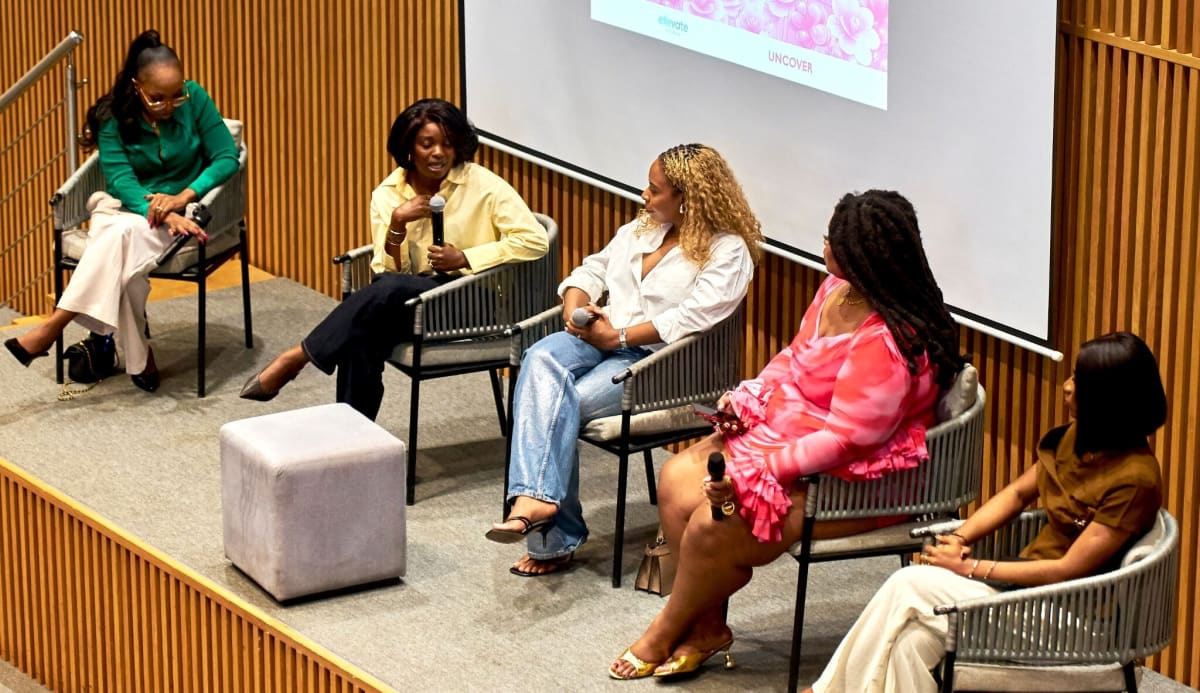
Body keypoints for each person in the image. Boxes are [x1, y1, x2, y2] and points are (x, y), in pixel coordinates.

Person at [609, 189, 967, 680]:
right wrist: (750, 393)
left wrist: (761, 470)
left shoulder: (887, 342)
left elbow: (846, 440)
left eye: (832, 240)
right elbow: (794, 359)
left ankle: (665, 629)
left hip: (856, 478)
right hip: (798, 436)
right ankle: (707, 628)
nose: (823, 246)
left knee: (712, 522)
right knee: (675, 480)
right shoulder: (836, 290)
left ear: (862, 257)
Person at [803, 331, 1166, 693]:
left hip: (1071, 619)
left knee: (908, 583)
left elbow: (1067, 570)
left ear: (1110, 399)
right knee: (911, 644)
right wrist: (960, 538)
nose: (1067, 387)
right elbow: (1017, 493)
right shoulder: (1080, 437)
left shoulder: (1135, 480)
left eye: (1079, 381)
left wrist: (969, 567)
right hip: (1025, 593)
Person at [485, 143, 763, 578]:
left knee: (556, 402)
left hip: (664, 365)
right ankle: (540, 503)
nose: (644, 197)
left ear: (687, 198)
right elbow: (591, 271)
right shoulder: (641, 229)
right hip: (600, 338)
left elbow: (692, 317)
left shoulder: (727, 250)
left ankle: (550, 532)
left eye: (654, 191)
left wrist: (617, 336)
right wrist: (577, 309)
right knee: (540, 356)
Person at [239, 98, 549, 419]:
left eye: (447, 144)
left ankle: (296, 358)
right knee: (359, 334)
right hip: (409, 305)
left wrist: (465, 257)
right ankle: (354, 439)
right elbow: (385, 271)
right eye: (427, 144)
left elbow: (534, 240)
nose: (439, 153)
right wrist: (398, 223)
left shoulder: (482, 184)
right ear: (410, 148)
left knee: (376, 303)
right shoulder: (388, 194)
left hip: (469, 301)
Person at [4, 30, 238, 391]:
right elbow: (121, 179)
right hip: (127, 207)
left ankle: (54, 327)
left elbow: (226, 157)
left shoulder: (197, 99)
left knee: (119, 248)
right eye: (159, 97)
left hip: (179, 211)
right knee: (121, 239)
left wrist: (181, 199)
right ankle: (137, 356)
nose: (172, 103)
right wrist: (160, 209)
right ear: (137, 86)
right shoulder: (112, 116)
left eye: (178, 94)